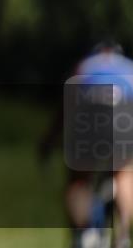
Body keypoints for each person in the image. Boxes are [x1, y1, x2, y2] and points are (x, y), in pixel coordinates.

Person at [42, 41, 133, 248]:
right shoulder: (129, 67)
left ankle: (83, 236)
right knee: (124, 173)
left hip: (90, 110)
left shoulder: (84, 65)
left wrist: (48, 142)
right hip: (125, 111)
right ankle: (123, 235)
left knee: (79, 180)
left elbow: (65, 110)